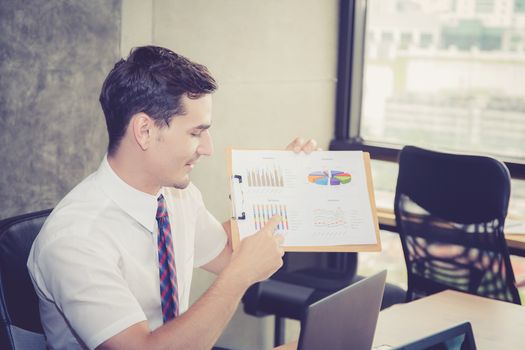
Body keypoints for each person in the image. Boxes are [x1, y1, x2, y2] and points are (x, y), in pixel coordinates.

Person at [27, 45, 318, 350]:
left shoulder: (178, 198)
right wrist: (238, 278)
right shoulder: (74, 240)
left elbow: (233, 253)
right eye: (196, 133)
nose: (207, 148)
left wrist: (285, 184)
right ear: (145, 130)